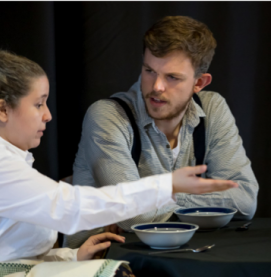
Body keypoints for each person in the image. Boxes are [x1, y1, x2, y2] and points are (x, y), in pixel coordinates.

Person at [0, 38, 236, 277]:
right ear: (3, 109)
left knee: (117, 276)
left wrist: (70, 256)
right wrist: (167, 186)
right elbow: (71, 210)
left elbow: (4, 250)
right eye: (39, 103)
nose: (48, 116)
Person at [65, 15, 258, 248]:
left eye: (172, 77)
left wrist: (158, 197)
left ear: (199, 83)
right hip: (103, 264)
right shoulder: (108, 115)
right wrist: (199, 204)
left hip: (182, 256)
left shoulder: (212, 108)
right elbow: (132, 215)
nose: (156, 86)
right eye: (149, 71)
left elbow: (246, 200)